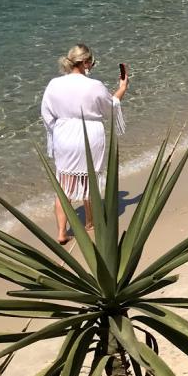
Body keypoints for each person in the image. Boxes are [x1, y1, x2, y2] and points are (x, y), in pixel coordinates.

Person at [40, 45, 128, 244]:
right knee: (89, 182)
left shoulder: (54, 84)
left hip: (64, 135)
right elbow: (110, 108)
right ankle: (90, 223)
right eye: (92, 63)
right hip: (90, 135)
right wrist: (122, 89)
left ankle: (62, 232)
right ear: (86, 63)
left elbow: (46, 114)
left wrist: (58, 132)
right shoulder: (94, 85)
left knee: (63, 186)